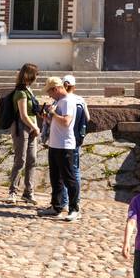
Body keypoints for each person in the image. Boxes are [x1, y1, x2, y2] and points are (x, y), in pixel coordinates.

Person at [38, 77, 80, 221]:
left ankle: (74, 209)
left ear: (56, 89)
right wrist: (46, 118)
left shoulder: (67, 101)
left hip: (64, 146)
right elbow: (57, 123)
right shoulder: (59, 101)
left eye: (50, 92)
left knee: (69, 178)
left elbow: (66, 122)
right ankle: (56, 206)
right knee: (55, 178)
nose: (49, 95)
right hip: (55, 144)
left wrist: (54, 113)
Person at [56, 75, 89, 213]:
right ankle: (76, 200)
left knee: (63, 171)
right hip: (76, 139)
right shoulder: (80, 100)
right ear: (74, 86)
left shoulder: (62, 101)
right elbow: (88, 118)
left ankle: (64, 202)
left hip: (63, 140)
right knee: (74, 170)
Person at [8, 63, 40, 205]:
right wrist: (35, 127)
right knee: (20, 159)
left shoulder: (29, 90)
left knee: (32, 159)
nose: (37, 77)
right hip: (22, 128)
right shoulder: (20, 92)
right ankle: (12, 192)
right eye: (36, 74)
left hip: (32, 127)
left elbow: (32, 112)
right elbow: (23, 115)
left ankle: (28, 192)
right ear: (30, 75)